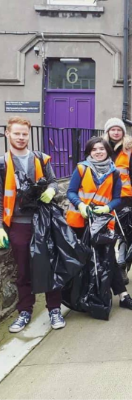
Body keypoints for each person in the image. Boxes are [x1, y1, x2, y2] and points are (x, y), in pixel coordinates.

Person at [0, 116, 65, 333]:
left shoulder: (40, 159)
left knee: (48, 265)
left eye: (24, 134)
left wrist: (51, 190)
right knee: (23, 270)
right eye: (16, 133)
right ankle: (25, 311)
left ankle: (54, 309)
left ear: (29, 135)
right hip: (18, 223)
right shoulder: (2, 163)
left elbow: (54, 181)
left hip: (43, 220)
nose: (21, 137)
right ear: (8, 134)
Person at [66, 136, 132, 313]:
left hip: (101, 222)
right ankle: (80, 296)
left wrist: (107, 207)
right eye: (94, 149)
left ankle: (123, 296)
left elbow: (118, 198)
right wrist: (81, 205)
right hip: (79, 221)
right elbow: (70, 192)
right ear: (89, 152)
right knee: (82, 259)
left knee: (108, 258)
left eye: (101, 149)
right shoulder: (81, 168)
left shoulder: (114, 172)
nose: (98, 152)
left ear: (107, 151)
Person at [103, 118, 132, 284]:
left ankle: (121, 265)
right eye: (113, 130)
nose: (116, 132)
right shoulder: (101, 147)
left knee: (123, 233)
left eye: (119, 130)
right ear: (108, 132)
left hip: (124, 197)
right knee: (107, 232)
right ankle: (108, 265)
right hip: (104, 197)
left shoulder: (129, 149)